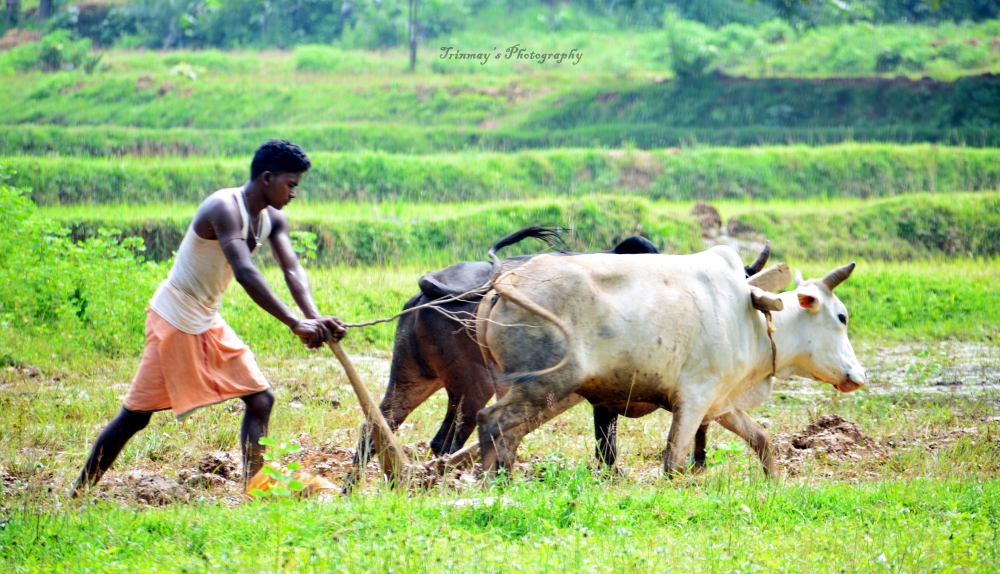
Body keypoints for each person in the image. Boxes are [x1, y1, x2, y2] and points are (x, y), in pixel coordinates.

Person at [73, 139, 345, 495]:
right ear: (267, 178)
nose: (294, 194)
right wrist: (295, 324)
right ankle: (78, 493)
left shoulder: (271, 219)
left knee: (260, 399)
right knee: (136, 417)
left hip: (206, 317)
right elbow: (245, 271)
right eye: (290, 185)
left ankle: (253, 490)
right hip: (174, 317)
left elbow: (291, 269)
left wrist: (315, 317)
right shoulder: (224, 208)